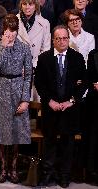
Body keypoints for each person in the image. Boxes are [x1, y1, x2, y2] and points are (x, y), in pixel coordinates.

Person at [34, 25, 86, 188]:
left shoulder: (77, 58)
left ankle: (65, 176)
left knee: (68, 144)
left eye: (65, 38)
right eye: (59, 38)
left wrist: (71, 101)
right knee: (49, 143)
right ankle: (47, 174)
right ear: (53, 40)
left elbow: (83, 83)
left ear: (68, 39)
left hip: (69, 109)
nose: (62, 41)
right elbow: (39, 83)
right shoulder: (44, 58)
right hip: (51, 108)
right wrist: (49, 100)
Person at [0, 14, 32, 184]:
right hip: (1, 87)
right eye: (7, 31)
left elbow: (28, 75)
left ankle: (13, 168)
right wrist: (4, 48)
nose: (10, 34)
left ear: (17, 30)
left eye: (13, 31)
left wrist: (25, 99)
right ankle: (2, 168)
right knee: (1, 131)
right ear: (3, 30)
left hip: (18, 88)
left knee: (16, 131)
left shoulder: (25, 48)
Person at [17, 0, 51, 101]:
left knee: (34, 103)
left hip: (36, 68)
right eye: (24, 4)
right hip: (18, 69)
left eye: (30, 4)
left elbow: (46, 48)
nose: (27, 7)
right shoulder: (14, 20)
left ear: (35, 6)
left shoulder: (44, 23)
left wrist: (34, 65)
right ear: (21, 6)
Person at [85, 49, 98, 185]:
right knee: (93, 137)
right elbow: (87, 79)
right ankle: (92, 172)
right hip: (95, 104)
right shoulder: (93, 54)